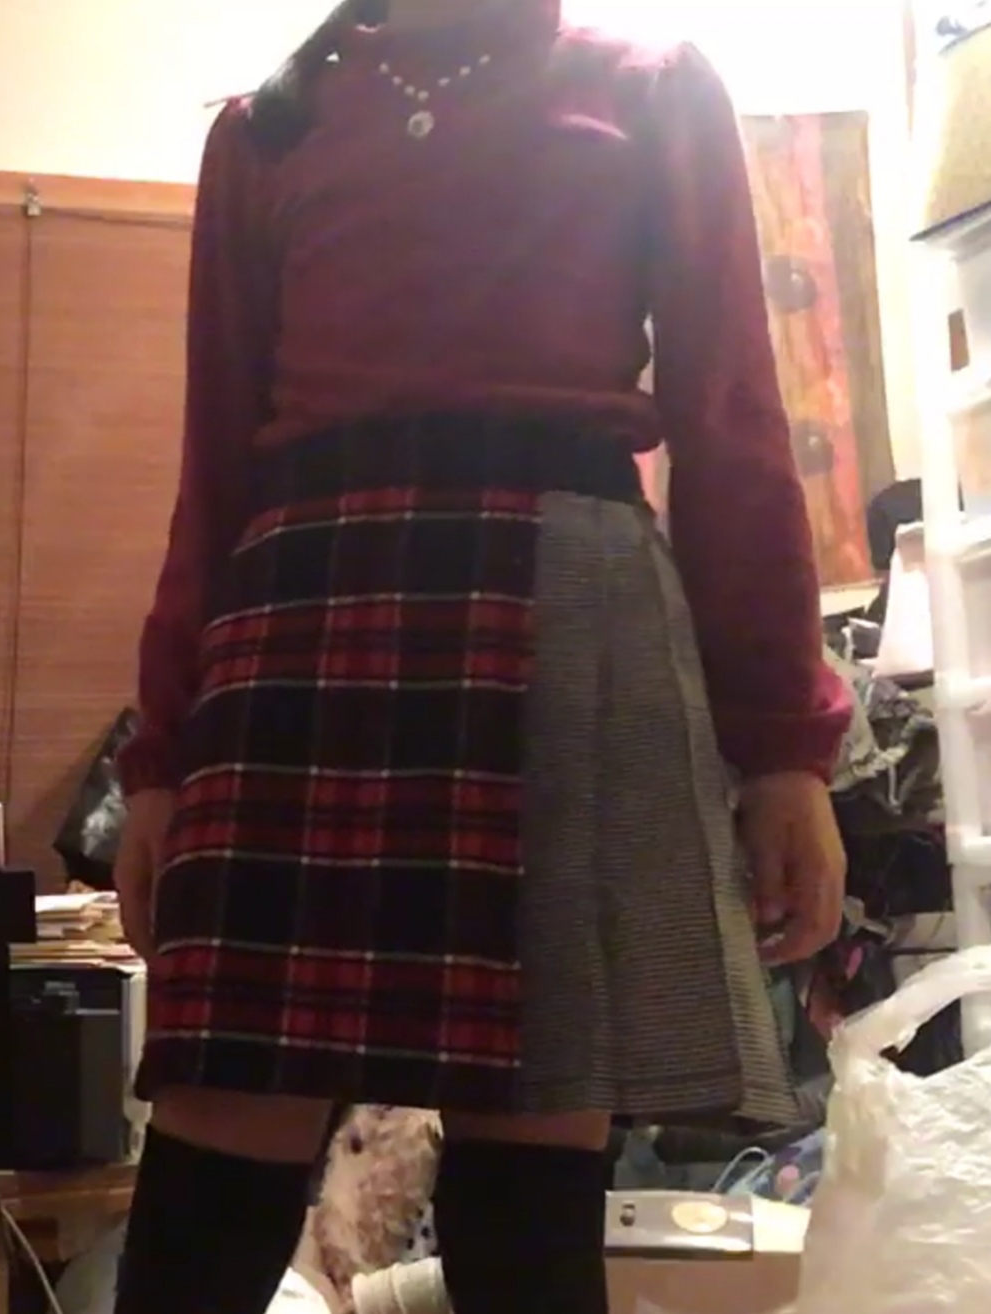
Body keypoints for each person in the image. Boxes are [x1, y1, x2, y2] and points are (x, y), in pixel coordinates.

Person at [112, 2, 850, 1311]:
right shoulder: (263, 130)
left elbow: (729, 418)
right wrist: (160, 759)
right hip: (298, 637)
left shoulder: (651, 85)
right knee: (213, 1155)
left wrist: (786, 744)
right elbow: (211, 463)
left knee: (532, 1168)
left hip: (564, 621)